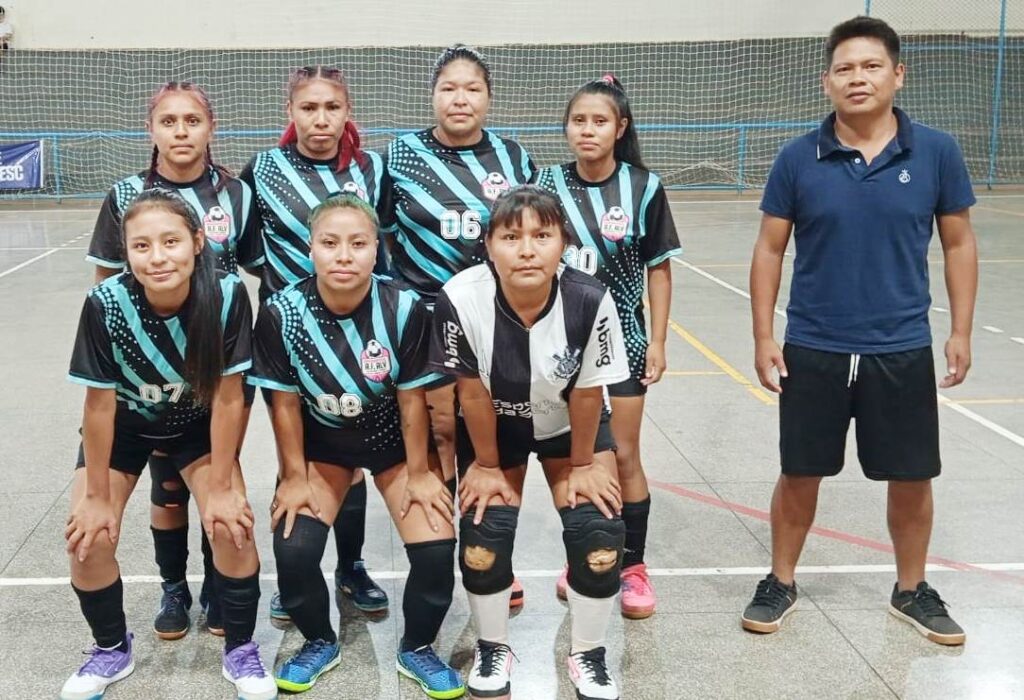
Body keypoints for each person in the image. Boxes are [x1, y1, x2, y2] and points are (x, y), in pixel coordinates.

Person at [742, 16, 978, 646]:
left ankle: (912, 588)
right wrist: (765, 335)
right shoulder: (798, 157)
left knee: (911, 474)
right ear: (827, 81)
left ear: (898, 74)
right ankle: (781, 580)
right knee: (800, 471)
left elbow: (958, 242)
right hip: (814, 345)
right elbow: (769, 250)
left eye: (871, 66)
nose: (858, 78)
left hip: (900, 346)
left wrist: (960, 330)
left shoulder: (937, 152)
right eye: (844, 68)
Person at [62, 189, 276, 700]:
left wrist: (222, 486)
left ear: (198, 242)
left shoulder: (225, 295)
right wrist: (95, 497)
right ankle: (112, 648)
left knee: (232, 526)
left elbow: (229, 397)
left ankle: (242, 650)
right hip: (126, 429)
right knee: (86, 540)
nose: (157, 257)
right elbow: (99, 406)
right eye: (141, 246)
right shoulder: (105, 303)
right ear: (126, 252)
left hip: (197, 427)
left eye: (171, 242)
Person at [248, 195, 464, 698]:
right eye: (330, 243)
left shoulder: (406, 306)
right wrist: (295, 477)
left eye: (357, 243)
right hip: (323, 446)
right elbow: (282, 407)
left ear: (376, 250)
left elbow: (414, 402)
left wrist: (418, 471)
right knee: (294, 549)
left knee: (436, 545)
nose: (343, 254)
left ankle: (418, 648)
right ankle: (320, 641)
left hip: (392, 442)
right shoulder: (282, 311)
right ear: (310, 248)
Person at [430, 186, 630, 700]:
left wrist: (585, 464)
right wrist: (488, 466)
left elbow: (589, 391)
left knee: (598, 530)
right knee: (484, 531)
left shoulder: (589, 298)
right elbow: (470, 393)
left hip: (571, 425)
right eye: (511, 235)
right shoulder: (459, 297)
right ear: (489, 244)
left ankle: (589, 653)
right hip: (495, 424)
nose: (526, 249)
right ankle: (494, 647)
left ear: (563, 241)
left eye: (542, 235)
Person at [86, 81, 261, 642]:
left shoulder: (235, 194)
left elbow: (262, 271)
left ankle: (216, 585)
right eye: (168, 121)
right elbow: (107, 284)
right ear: (151, 129)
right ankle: (173, 586)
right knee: (166, 488)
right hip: (147, 369)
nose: (180, 131)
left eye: (192, 120)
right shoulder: (125, 193)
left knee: (214, 482)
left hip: (215, 362)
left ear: (211, 128)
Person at [240, 65, 393, 618]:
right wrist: (292, 289)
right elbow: (248, 246)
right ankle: (297, 573)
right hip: (291, 336)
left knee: (350, 455)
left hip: (362, 332)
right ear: (291, 113)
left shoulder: (371, 169)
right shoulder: (264, 170)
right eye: (309, 108)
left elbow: (386, 244)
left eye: (332, 107)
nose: (321, 118)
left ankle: (350, 567)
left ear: (347, 112)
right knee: (298, 452)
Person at [386, 44, 535, 608]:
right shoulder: (400, 157)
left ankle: (495, 550)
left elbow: (530, 234)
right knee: (442, 434)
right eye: (449, 88)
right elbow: (376, 234)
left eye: (472, 88)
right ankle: (442, 547)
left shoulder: (514, 158)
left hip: (498, 319)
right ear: (433, 95)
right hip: (425, 319)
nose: (460, 98)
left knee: (497, 433)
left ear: (488, 98)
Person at [536, 74, 681, 619]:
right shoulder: (545, 182)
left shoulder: (644, 187)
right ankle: (585, 557)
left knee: (621, 456)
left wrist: (658, 341)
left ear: (620, 128)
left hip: (622, 345)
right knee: (574, 458)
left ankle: (632, 566)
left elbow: (659, 271)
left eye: (599, 121)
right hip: (561, 348)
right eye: (578, 120)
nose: (588, 130)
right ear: (567, 128)